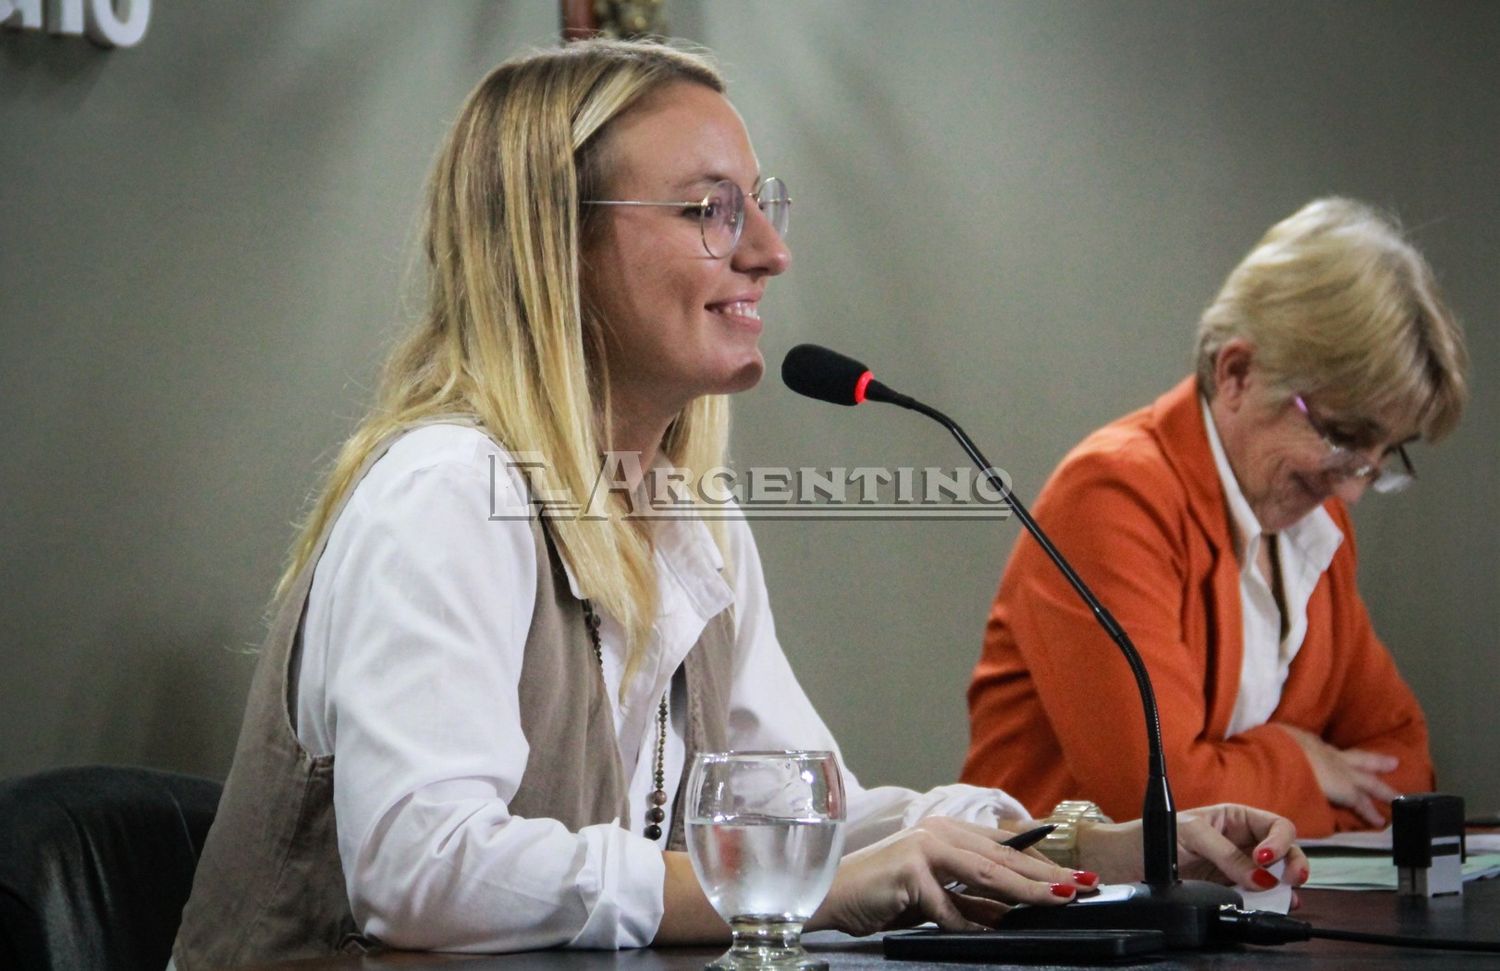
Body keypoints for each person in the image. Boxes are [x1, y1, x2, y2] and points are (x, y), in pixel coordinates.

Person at [172, 39, 1307, 969]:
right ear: (552, 245)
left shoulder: (689, 519)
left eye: (758, 205)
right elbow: (426, 869)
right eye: (713, 210)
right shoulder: (445, 494)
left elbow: (811, 814)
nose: (770, 251)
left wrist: (1098, 848)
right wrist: (802, 888)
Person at [963, 197, 1468, 837]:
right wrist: (1300, 760)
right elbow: (1162, 810)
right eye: (1343, 435)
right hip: (1071, 921)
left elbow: (1404, 775)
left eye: (1384, 453)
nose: (1355, 487)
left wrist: (1250, 780)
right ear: (1237, 372)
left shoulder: (1318, 525)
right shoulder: (1113, 496)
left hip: (1239, 919)